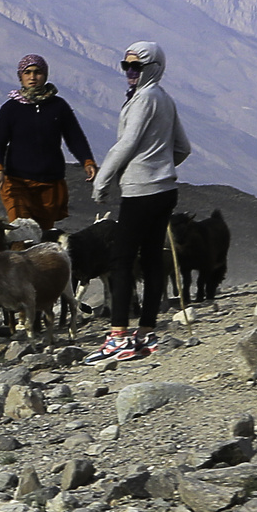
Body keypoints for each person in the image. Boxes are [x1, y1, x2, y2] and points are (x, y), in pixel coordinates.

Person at [89, 40, 191, 363]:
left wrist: (104, 179)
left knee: (121, 260)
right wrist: (161, 166)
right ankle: (146, 334)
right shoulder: (165, 98)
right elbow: (183, 148)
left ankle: (118, 336)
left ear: (153, 68)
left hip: (139, 192)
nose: (130, 72)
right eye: (126, 66)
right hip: (165, 191)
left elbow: (127, 143)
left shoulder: (144, 99)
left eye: (137, 66)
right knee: (150, 258)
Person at [0, 54, 95, 239]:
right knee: (21, 232)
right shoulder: (11, 109)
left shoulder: (58, 107)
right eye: (27, 72)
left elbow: (74, 137)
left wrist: (87, 161)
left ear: (45, 76)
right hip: (17, 183)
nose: (32, 77)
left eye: (38, 72)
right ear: (20, 76)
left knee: (41, 236)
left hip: (49, 185)